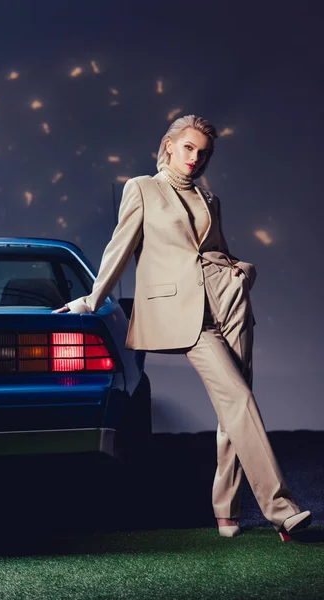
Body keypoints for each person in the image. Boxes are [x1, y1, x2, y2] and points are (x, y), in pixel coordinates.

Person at [53, 114, 311, 542]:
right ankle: (282, 510)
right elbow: (120, 247)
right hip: (184, 312)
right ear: (169, 145)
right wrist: (92, 299)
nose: (196, 158)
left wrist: (241, 273)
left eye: (203, 152)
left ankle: (226, 511)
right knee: (239, 399)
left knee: (235, 409)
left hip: (229, 299)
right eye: (188, 147)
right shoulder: (143, 189)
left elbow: (216, 250)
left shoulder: (209, 198)